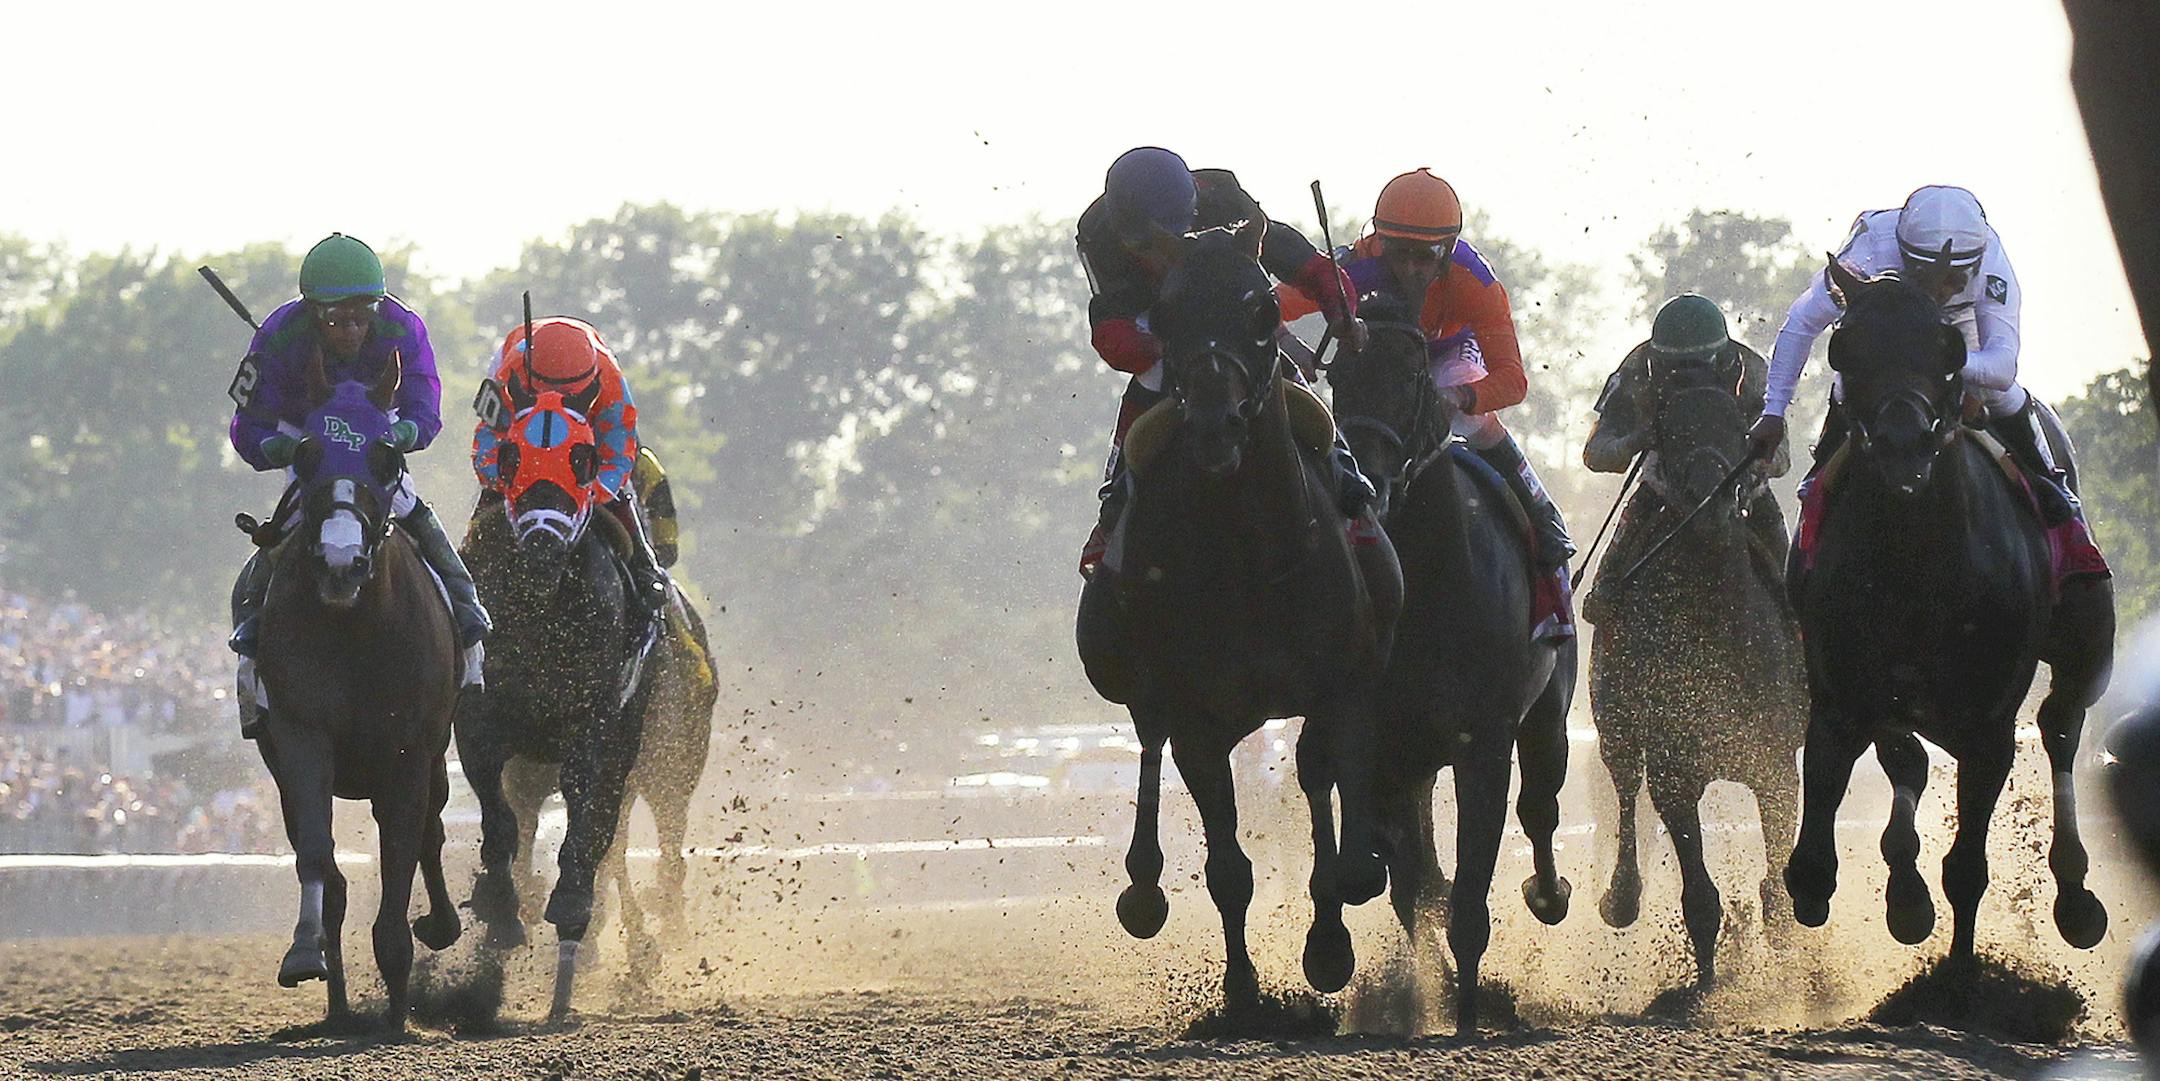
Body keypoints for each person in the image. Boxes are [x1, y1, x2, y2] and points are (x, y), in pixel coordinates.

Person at [1281, 168, 1575, 629]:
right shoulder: (1350, 268)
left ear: (1449, 251)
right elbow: (1269, 306)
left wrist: (1462, 395)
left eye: (1425, 257)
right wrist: (1291, 348)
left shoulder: (1476, 283)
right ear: (1378, 241)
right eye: (1399, 254)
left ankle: (1540, 514)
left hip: (1446, 356)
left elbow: (1512, 380)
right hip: (1383, 357)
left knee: (1467, 413)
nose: (1410, 270)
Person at [226, 233, 489, 740]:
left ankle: (469, 623)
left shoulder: (404, 327)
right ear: (311, 311)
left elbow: (425, 409)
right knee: (289, 525)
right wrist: (288, 451)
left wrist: (399, 435)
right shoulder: (280, 336)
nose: (350, 328)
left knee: (411, 509)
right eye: (335, 319)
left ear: (378, 307)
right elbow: (247, 429)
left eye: (361, 315)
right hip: (309, 439)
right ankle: (250, 648)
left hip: (375, 435)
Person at [1074, 146, 1374, 576]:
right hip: (1165, 318)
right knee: (1153, 369)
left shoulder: (1227, 202)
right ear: (1123, 231)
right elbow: (1110, 330)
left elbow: (1309, 265)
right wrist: (1158, 344)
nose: (1161, 253)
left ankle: (1348, 483)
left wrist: (1341, 311)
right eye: (1145, 244)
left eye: (1173, 236)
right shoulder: (1100, 237)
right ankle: (1114, 508)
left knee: (1266, 355)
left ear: (1193, 211)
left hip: (1232, 310)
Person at [1747, 185, 2079, 522]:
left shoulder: (1993, 264)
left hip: (1956, 332)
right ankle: (1816, 493)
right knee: (1847, 389)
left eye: (1957, 278)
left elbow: (2002, 366)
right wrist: (1773, 411)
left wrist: (1934, 361)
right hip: (1885, 331)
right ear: (1904, 256)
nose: (1948, 288)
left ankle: (2051, 483)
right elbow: (1803, 322)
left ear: (1977, 261)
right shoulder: (1867, 256)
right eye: (1934, 275)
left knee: (2002, 395)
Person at [1580, 294, 1789, 622]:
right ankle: (1608, 595)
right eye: (1676, 369)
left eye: (1698, 367)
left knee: (1794, 594)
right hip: (1665, 486)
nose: (1688, 377)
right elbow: (1595, 453)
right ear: (1656, 361)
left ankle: (1799, 628)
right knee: (1603, 600)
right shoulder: (1634, 372)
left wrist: (1749, 455)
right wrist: (1637, 439)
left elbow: (1782, 458)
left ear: (1722, 360)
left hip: (1741, 486)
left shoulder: (1754, 373)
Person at [474, 316, 671, 609]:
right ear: (531, 379)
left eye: (570, 393)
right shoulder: (509, 372)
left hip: (587, 424)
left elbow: (618, 453)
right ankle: (464, 566)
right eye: (549, 389)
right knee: (494, 495)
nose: (558, 397)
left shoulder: (611, 381)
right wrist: (503, 480)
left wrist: (595, 490)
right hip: (521, 415)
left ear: (590, 381)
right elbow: (487, 439)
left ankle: (644, 566)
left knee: (618, 493)